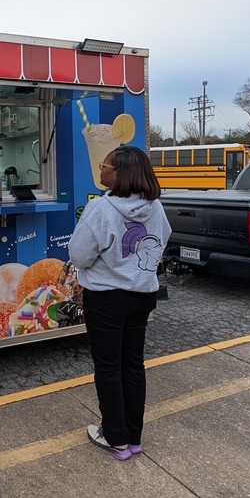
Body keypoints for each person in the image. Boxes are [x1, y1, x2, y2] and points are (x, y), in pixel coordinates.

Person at [68, 145, 171, 460]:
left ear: (118, 173)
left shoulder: (102, 208)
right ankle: (133, 438)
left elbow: (79, 255)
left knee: (108, 368)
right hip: (142, 296)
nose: (101, 169)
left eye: (105, 165)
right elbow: (161, 241)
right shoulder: (155, 207)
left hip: (107, 299)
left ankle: (115, 437)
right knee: (132, 365)